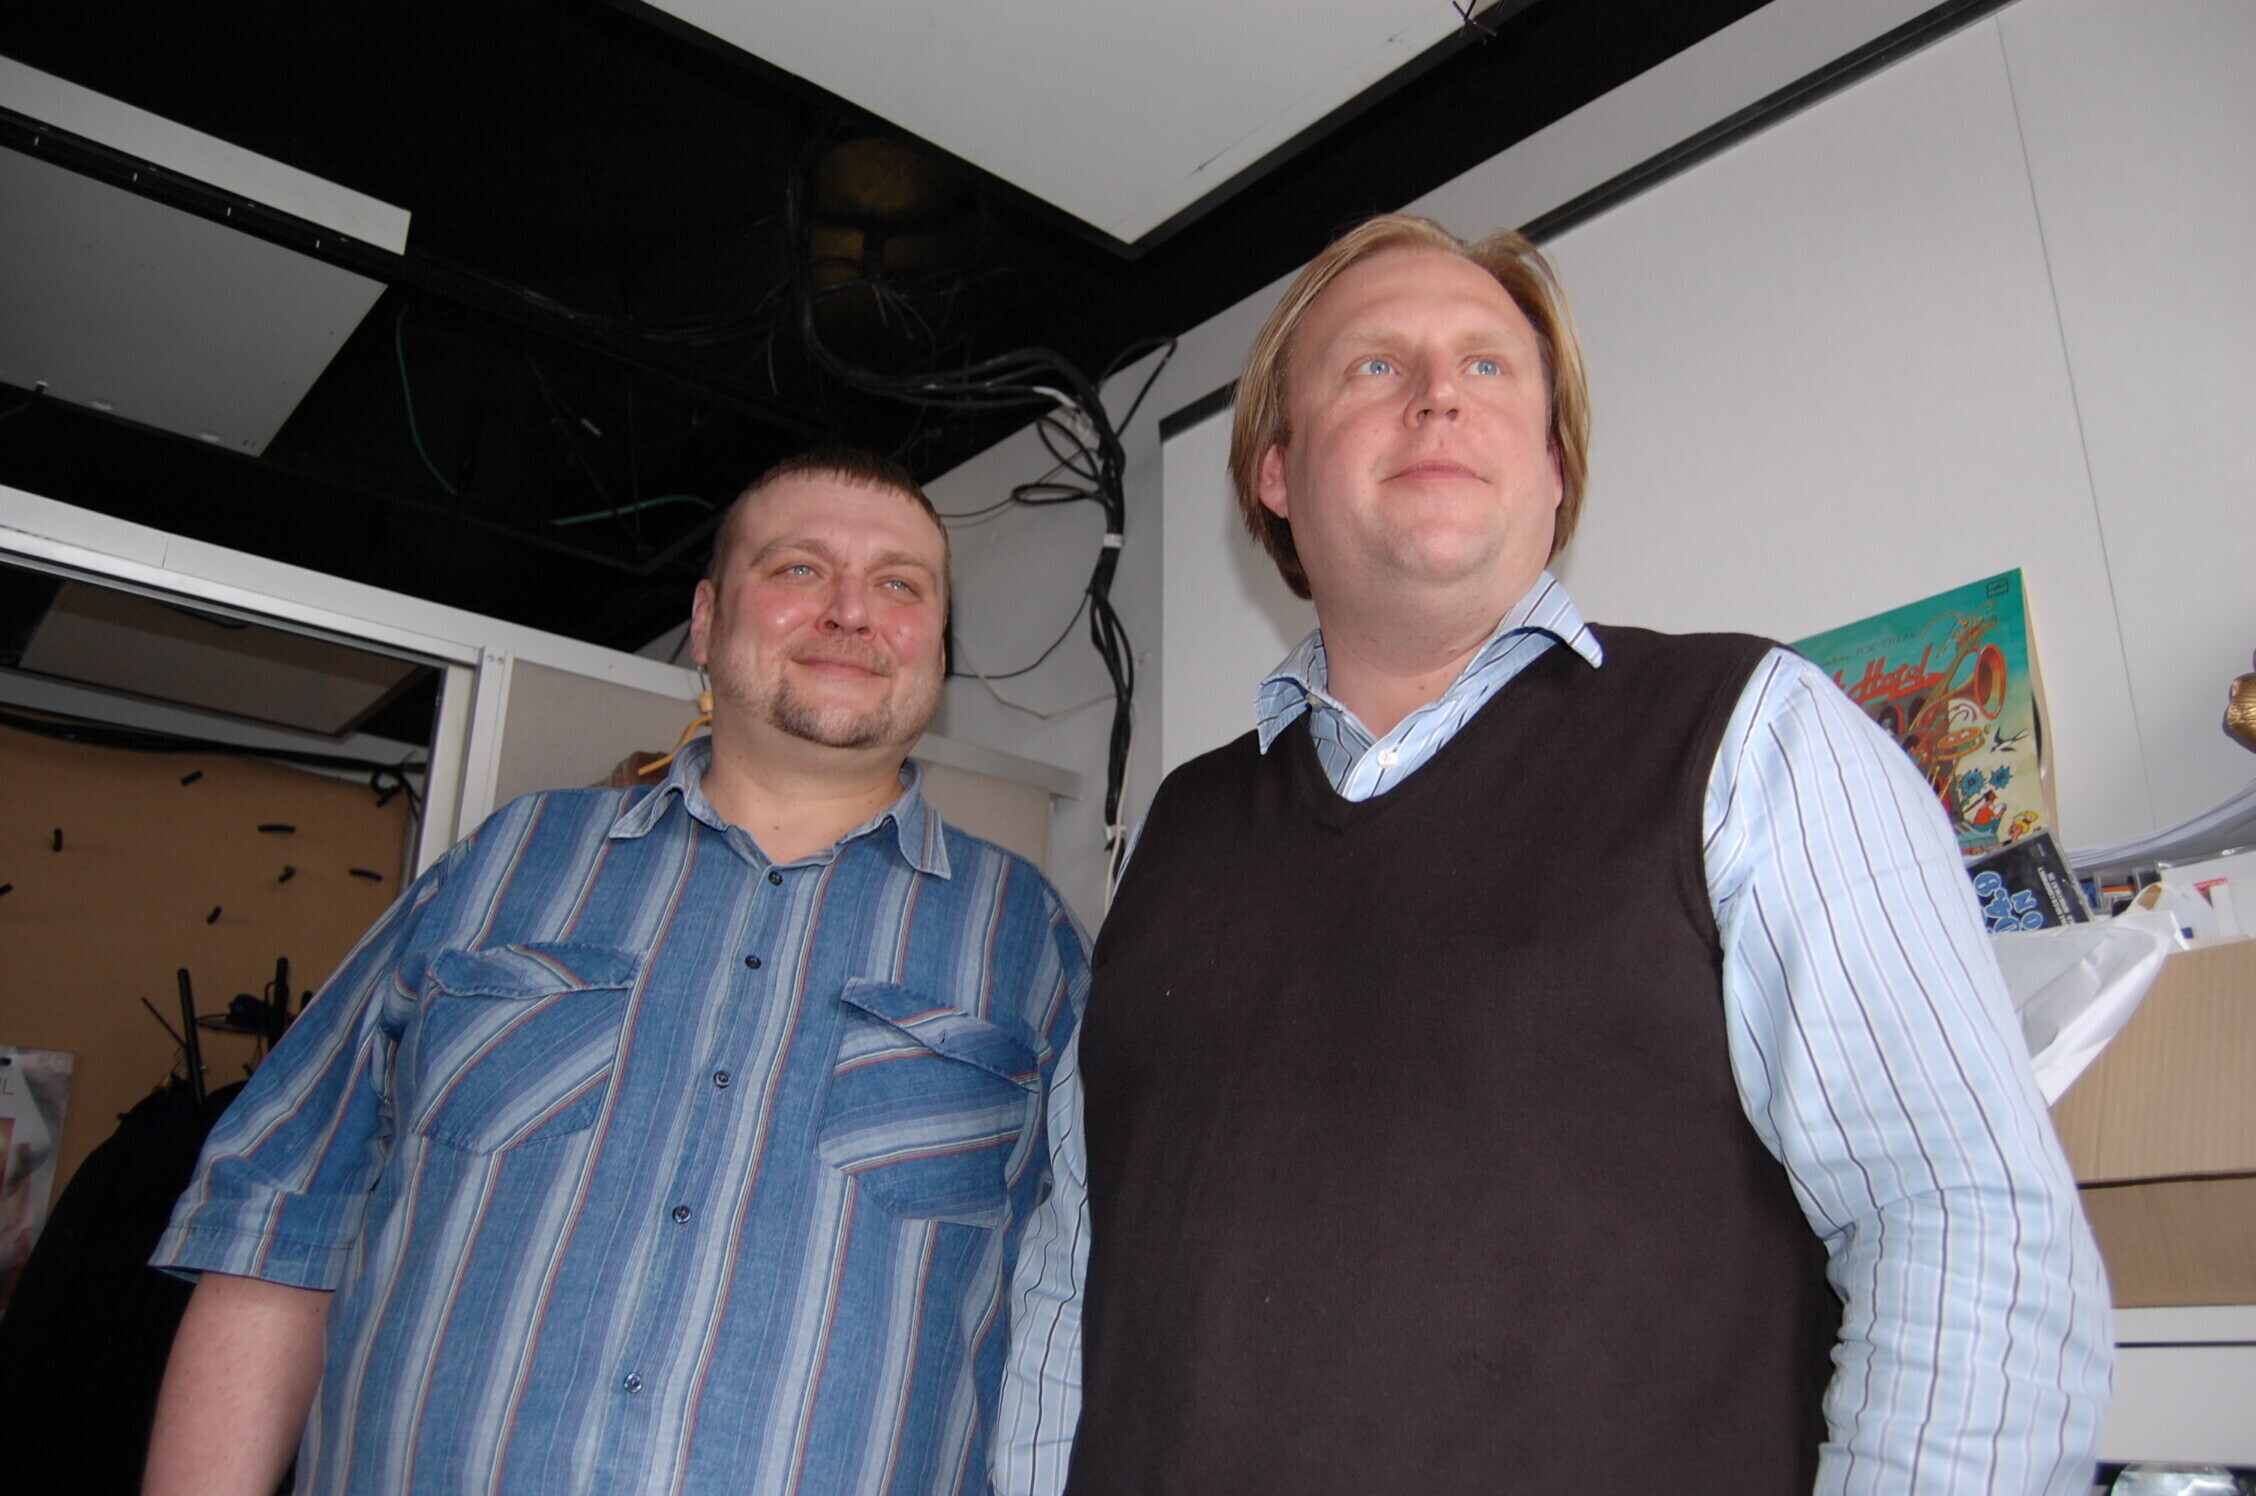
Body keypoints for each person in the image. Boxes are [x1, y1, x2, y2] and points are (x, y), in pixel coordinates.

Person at [1000, 216, 2111, 1496]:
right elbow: (1073, 1276)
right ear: (1277, 469)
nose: (1437, 395)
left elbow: (1968, 1225)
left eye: (1488, 366)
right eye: (1374, 365)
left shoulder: (1755, 739)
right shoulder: (1173, 835)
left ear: (1555, 467)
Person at [144, 449, 1090, 1496]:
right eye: (799, 569)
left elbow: (1091, 1308)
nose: (851, 611)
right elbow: (277, 1225)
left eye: (901, 585)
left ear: (938, 651)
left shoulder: (1031, 943)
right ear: (706, 618)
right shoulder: (505, 862)